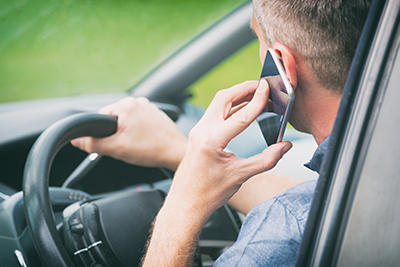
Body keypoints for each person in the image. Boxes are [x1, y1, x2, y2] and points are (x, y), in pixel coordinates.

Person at [72, 0, 372, 266]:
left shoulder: (281, 234)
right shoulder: (366, 176)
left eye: (258, 38)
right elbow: (322, 206)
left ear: (283, 65)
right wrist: (179, 152)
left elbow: (299, 217)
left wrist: (184, 201)